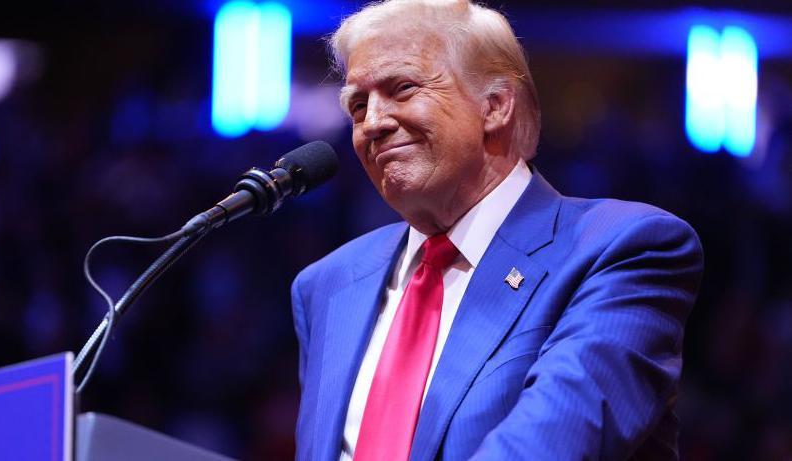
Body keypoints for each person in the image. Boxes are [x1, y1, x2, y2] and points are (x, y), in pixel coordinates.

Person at [290, 1, 703, 460]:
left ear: (495, 107)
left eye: (403, 89)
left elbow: (551, 445)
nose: (373, 124)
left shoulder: (623, 248)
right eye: (358, 105)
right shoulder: (327, 284)